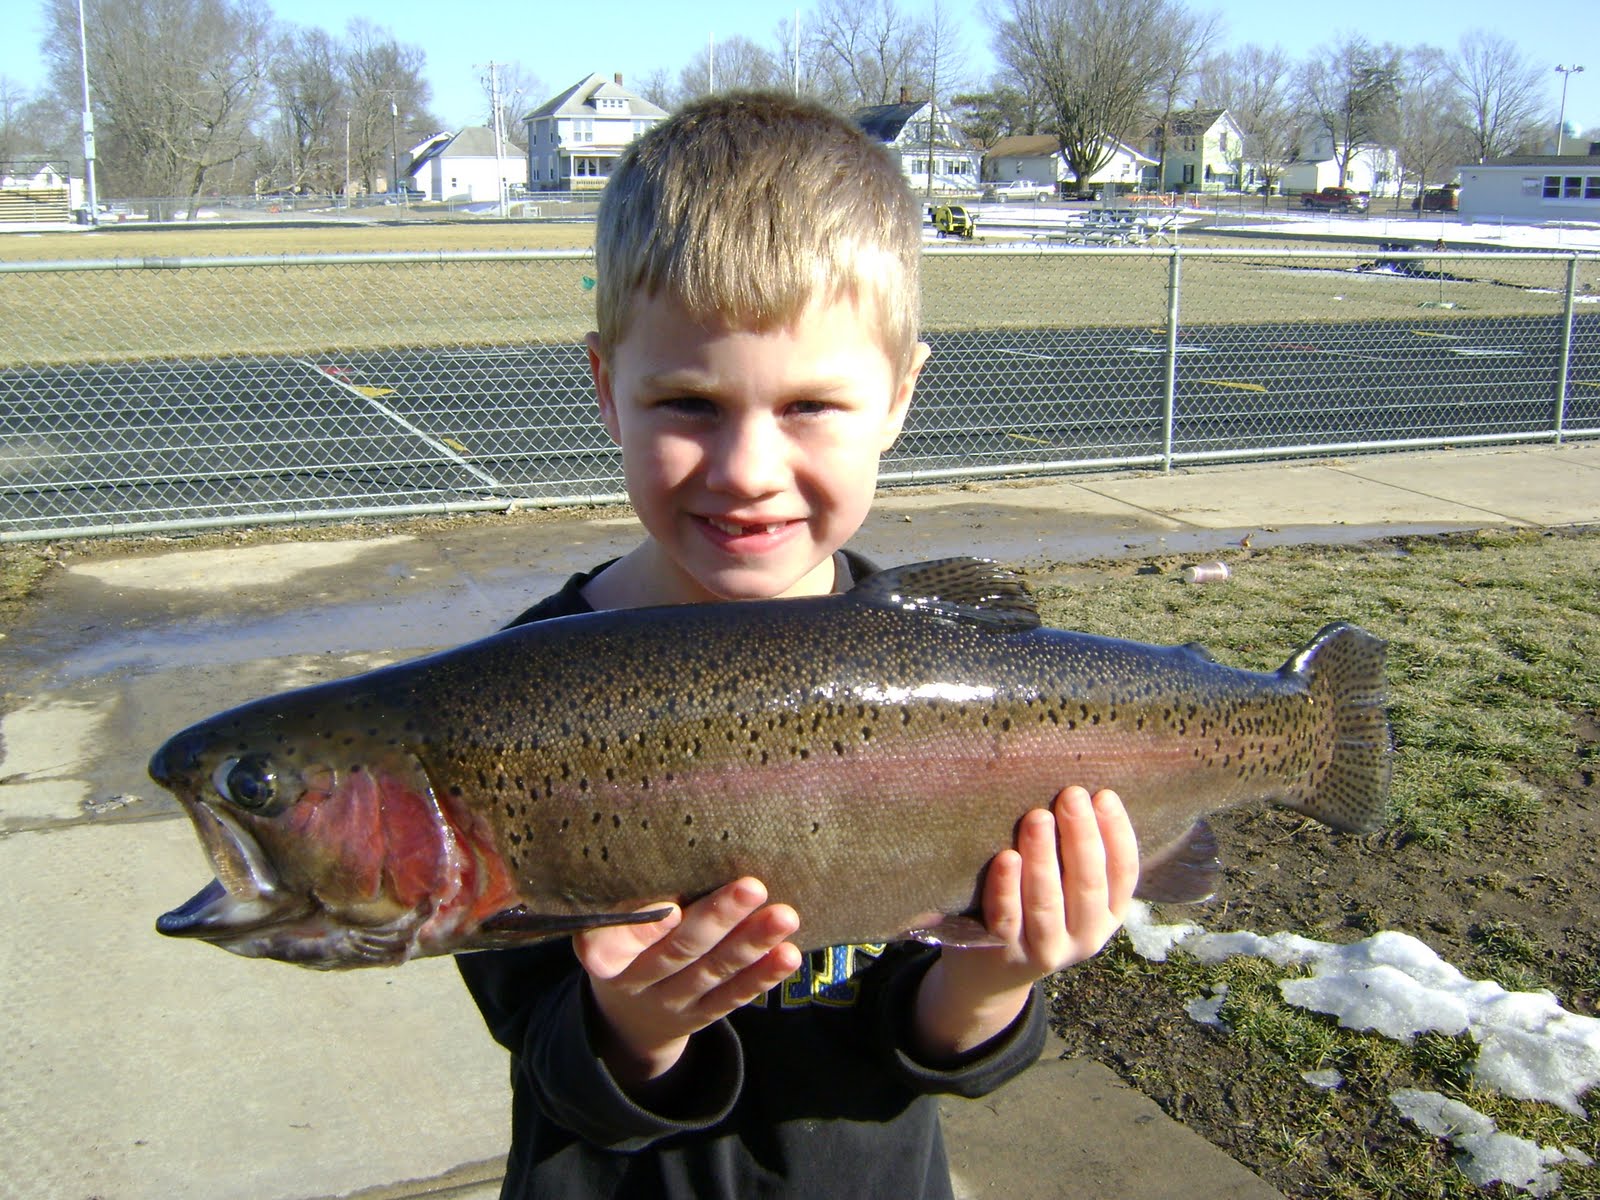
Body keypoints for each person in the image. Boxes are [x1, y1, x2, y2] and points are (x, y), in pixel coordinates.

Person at [455, 90, 1140, 1199]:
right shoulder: (506, 709)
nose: (746, 469)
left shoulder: (960, 678)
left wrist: (999, 970)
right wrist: (627, 1028)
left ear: (901, 396)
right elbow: (541, 1054)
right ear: (604, 390)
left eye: (811, 405)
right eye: (688, 403)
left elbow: (934, 1053)